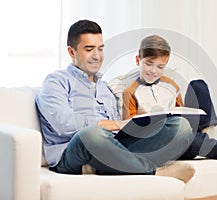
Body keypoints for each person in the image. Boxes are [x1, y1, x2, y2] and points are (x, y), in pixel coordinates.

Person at [35, 19, 196, 182]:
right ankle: (153, 173)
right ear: (71, 52)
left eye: (100, 49)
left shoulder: (105, 88)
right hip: (73, 152)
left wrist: (142, 125)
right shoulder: (56, 81)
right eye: (89, 49)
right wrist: (116, 125)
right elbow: (65, 124)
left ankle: (107, 166)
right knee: (91, 135)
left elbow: (119, 130)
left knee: (180, 127)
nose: (97, 56)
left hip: (113, 145)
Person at [122, 34, 217, 161]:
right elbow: (129, 128)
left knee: (198, 85)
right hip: (163, 139)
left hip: (181, 130)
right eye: (149, 64)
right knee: (201, 144)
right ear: (138, 60)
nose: (153, 71)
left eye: (160, 67)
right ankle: (213, 146)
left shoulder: (171, 85)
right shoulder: (130, 92)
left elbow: (181, 113)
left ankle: (207, 137)